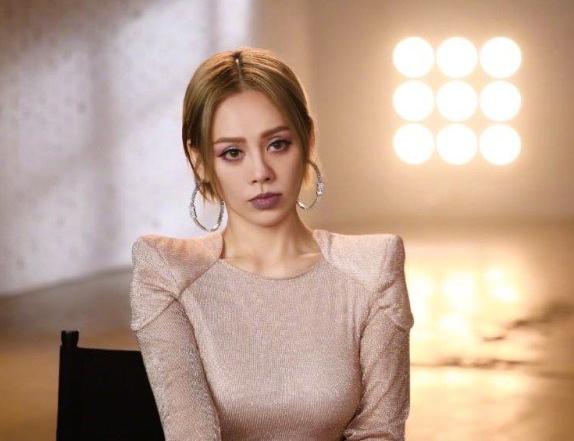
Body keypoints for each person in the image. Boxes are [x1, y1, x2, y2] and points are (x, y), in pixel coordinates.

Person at [129, 47, 415, 440]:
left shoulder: (372, 268)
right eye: (232, 153)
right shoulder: (169, 272)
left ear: (308, 139)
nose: (261, 172)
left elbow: (380, 433)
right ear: (200, 162)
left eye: (277, 144)